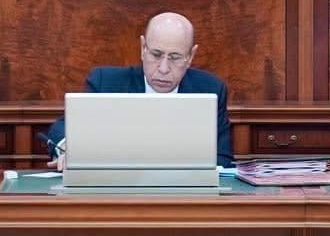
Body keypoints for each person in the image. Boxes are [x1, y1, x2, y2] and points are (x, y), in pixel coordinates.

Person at [43, 11, 233, 169]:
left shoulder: (210, 89)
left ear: (190, 56)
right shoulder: (106, 83)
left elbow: (222, 158)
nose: (164, 68)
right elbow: (61, 129)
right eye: (156, 55)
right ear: (143, 48)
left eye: (175, 57)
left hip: (185, 195)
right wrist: (69, 147)